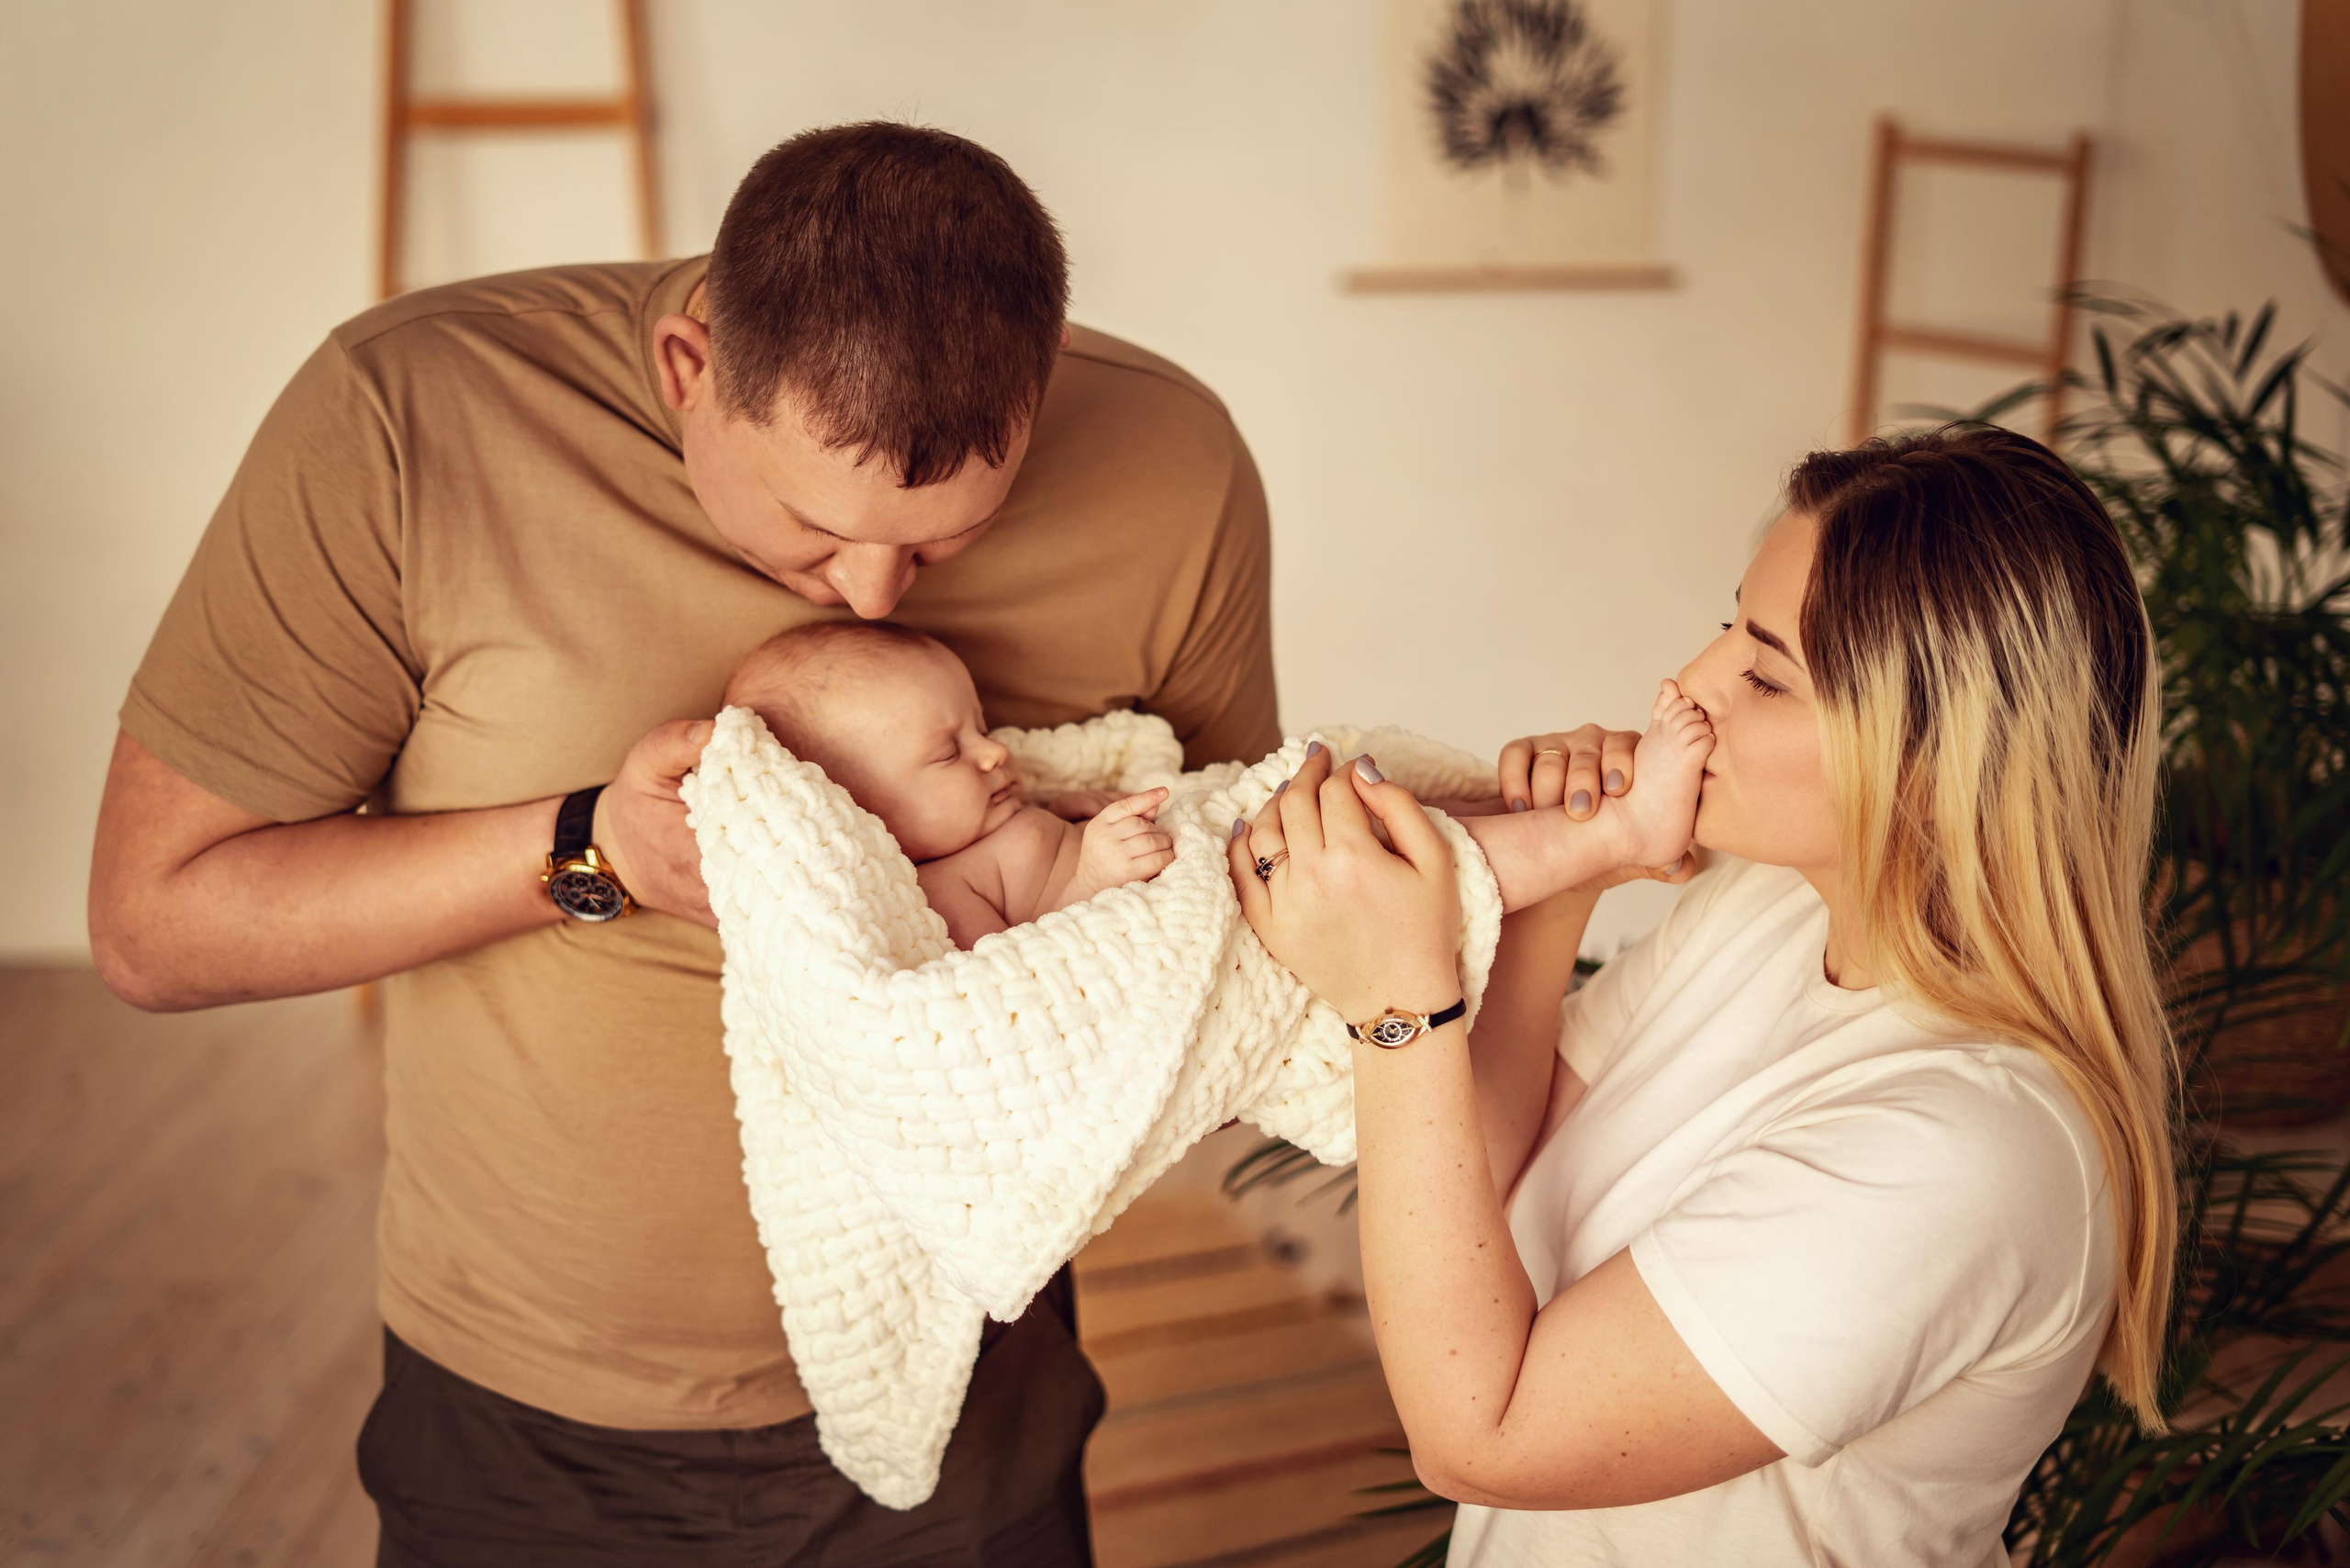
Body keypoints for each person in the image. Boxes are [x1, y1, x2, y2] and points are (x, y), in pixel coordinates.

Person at [88, 121, 1277, 1566]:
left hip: (975, 1383)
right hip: (530, 1424)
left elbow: (1236, 915)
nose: (869, 594)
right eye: (811, 524)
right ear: (687, 372)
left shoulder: (1176, 468)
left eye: (947, 541)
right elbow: (156, 926)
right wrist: (589, 849)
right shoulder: (410, 417)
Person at [1230, 426, 2176, 1566]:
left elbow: (1480, 1436)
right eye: (1730, 620)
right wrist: (1566, 873)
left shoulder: (1967, 1149)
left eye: (1766, 673)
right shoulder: (1768, 912)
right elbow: (1481, 1170)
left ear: (1931, 758)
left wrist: (1396, 998)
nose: (1688, 682)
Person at [722, 620, 1180, 947]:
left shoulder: (999, 818)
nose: (993, 752)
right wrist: (1092, 881)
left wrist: (1067, 813)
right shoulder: (941, 891)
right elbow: (1023, 968)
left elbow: (1038, 854)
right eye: (948, 753)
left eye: (982, 728)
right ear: (860, 814)